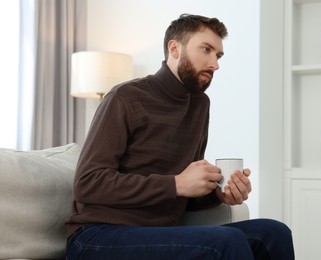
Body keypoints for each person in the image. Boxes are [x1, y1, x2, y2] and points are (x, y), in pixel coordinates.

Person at [65, 13, 294, 260]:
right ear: (174, 48)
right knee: (225, 242)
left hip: (159, 232)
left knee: (273, 232)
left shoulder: (199, 105)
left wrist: (218, 193)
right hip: (98, 235)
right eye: (205, 50)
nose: (214, 64)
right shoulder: (125, 97)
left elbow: (184, 192)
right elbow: (88, 184)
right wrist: (176, 183)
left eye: (218, 55)